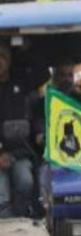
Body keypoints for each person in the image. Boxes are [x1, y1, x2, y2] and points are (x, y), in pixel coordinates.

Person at [0, 45, 37, 218]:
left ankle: (24, 223)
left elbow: (43, 72)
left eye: (3, 57)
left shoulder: (21, 85)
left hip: (21, 154)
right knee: (2, 195)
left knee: (25, 181)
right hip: (0, 157)